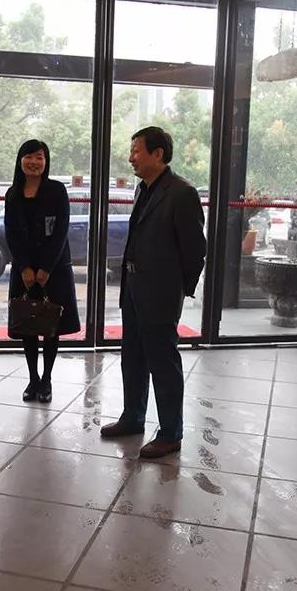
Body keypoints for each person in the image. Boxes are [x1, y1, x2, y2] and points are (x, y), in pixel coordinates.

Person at [100, 126, 206, 459]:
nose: (131, 157)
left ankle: (171, 433)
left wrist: (179, 289)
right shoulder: (143, 189)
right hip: (134, 287)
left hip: (161, 292)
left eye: (136, 150)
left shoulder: (182, 193)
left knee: (163, 363)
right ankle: (133, 417)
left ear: (157, 154)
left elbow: (195, 250)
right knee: (132, 356)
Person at [4, 139, 80, 401]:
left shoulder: (57, 191)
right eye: (29, 157)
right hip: (23, 270)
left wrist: (46, 268)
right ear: (20, 160)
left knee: (50, 326)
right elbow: (11, 234)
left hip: (54, 268)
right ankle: (32, 379)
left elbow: (61, 231)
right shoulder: (13, 193)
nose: (34, 162)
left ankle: (46, 379)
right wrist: (24, 267)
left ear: (46, 162)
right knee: (28, 324)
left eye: (39, 157)